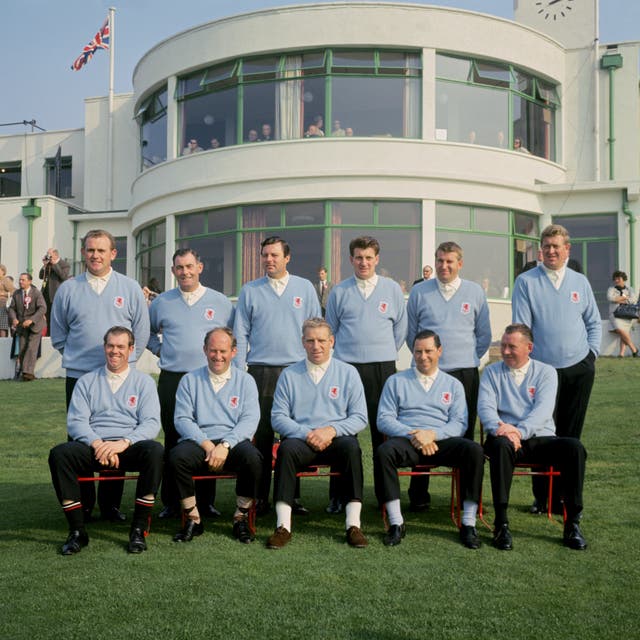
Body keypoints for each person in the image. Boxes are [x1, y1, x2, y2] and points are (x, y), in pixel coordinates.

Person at [51, 229, 150, 522]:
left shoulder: (130, 288)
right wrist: (78, 359)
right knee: (80, 440)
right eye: (90, 250)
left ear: (113, 254)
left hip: (119, 377)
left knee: (115, 435)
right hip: (81, 377)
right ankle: (83, 504)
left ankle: (111, 506)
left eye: (101, 250)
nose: (95, 255)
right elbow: (58, 333)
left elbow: (141, 331)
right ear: (84, 253)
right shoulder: (68, 289)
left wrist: (126, 363)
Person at [48, 326, 163, 555]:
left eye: (121, 346)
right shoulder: (87, 381)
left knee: (155, 451)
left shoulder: (144, 382)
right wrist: (98, 443)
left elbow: (151, 423)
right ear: (104, 347)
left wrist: (124, 442)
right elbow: (76, 421)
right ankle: (77, 531)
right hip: (95, 446)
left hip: (128, 446)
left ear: (131, 349)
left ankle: (138, 529)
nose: (115, 351)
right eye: (110, 346)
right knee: (60, 454)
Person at [512, 224, 600, 513]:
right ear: (541, 249)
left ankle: (566, 500)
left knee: (570, 437)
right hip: (542, 372)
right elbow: (522, 329)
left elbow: (593, 321)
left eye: (556, 246)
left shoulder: (580, 282)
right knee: (541, 436)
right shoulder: (526, 282)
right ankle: (543, 498)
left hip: (578, 369)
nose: (551, 251)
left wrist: (592, 356)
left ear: (567, 249)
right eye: (547, 246)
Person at [478, 323, 588, 551]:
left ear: (529, 347)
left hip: (539, 437)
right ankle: (501, 523)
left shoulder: (546, 372)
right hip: (503, 437)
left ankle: (572, 523)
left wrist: (519, 431)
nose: (505, 351)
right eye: (503, 345)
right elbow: (486, 410)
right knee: (499, 446)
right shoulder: (490, 372)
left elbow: (543, 411)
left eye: (511, 346)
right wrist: (505, 431)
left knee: (574, 448)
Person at [234, 236, 321, 515]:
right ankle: (258, 498)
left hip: (296, 372)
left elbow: (315, 328)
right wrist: (240, 370)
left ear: (287, 257)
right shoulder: (249, 290)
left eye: (274, 255)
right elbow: (240, 332)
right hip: (259, 370)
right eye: (265, 255)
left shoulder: (305, 288)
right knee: (260, 436)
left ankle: (290, 498)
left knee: (292, 438)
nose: (268, 260)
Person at [375, 330, 484, 549]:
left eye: (428, 351)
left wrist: (432, 435)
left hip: (441, 439)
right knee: (384, 451)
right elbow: (383, 419)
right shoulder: (395, 381)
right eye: (418, 352)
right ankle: (396, 523)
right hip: (409, 440)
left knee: (474, 450)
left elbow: (459, 423)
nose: (423, 356)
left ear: (439, 351)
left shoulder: (453, 385)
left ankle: (469, 523)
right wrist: (415, 434)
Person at [147, 248, 235, 519]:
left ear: (200, 267)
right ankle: (173, 502)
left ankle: (206, 501)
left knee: (207, 437)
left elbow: (232, 338)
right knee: (174, 439)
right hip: (173, 379)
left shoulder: (220, 302)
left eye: (189, 266)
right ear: (173, 271)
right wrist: (161, 351)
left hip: (208, 380)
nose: (184, 272)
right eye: (179, 268)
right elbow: (147, 333)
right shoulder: (161, 302)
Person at [267, 318, 368, 549]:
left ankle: (353, 525)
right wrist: (308, 433)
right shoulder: (289, 375)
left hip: (337, 439)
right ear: (302, 342)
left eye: (322, 340)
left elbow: (360, 417)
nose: (316, 346)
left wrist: (330, 430)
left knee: (352, 447)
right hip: (302, 441)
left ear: (331, 341)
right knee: (286, 449)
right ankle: (283, 526)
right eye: (310, 340)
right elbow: (278, 417)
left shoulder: (348, 373)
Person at [406, 241, 491, 510]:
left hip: (464, 373)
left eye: (450, 261)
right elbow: (411, 334)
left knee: (464, 436)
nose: (444, 266)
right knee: (422, 428)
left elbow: (484, 334)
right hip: (428, 375)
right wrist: (428, 362)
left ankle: (467, 497)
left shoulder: (475, 292)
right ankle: (419, 495)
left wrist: (465, 358)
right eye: (440, 260)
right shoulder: (420, 291)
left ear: (460, 264)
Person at [325, 236, 407, 508]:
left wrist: (381, 352)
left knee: (382, 431)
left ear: (377, 259)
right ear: (351, 260)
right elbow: (331, 330)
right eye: (358, 257)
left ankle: (386, 497)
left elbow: (400, 329)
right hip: (347, 369)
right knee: (342, 432)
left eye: (368, 257)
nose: (363, 262)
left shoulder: (392, 289)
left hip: (382, 368)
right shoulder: (339, 291)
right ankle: (340, 496)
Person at [170, 327, 262, 544]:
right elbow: (182, 419)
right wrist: (208, 445)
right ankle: (193, 517)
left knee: (253, 458)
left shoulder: (246, 381)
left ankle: (240, 517)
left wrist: (225, 445)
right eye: (213, 350)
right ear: (204, 350)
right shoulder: (189, 380)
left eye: (223, 351)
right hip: (200, 441)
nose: (217, 356)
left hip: (233, 441)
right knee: (176, 458)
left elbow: (250, 420)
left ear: (234, 352)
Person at [8, 272, 47, 381]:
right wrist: (14, 318)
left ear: (30, 281)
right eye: (20, 280)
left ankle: (27, 374)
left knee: (31, 348)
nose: (20, 282)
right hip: (21, 326)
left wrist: (31, 320)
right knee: (22, 348)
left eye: (23, 280)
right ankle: (22, 372)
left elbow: (43, 308)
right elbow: (11, 308)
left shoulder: (37, 293)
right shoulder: (16, 294)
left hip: (35, 325)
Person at [606, 270, 638, 357]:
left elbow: (633, 299)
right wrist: (625, 298)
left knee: (624, 333)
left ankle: (621, 354)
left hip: (627, 313)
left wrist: (620, 299)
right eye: (615, 279)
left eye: (618, 278)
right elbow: (611, 298)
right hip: (615, 313)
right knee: (620, 330)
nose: (616, 280)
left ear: (623, 279)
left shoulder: (630, 289)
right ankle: (634, 349)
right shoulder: (611, 289)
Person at [39, 248, 70, 335]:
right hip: (46, 295)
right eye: (47, 254)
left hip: (56, 294)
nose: (48, 257)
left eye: (50, 255)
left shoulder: (64, 264)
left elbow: (63, 276)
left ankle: (57, 335)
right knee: (47, 317)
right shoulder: (48, 264)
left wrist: (54, 264)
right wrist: (44, 265)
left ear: (56, 255)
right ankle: (48, 335)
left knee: (56, 317)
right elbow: (41, 276)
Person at [0, 264, 15, 338]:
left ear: (3, 271)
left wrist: (3, 294)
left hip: (2, 306)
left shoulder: (5, 280)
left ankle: (3, 344)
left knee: (2, 326)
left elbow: (14, 291)